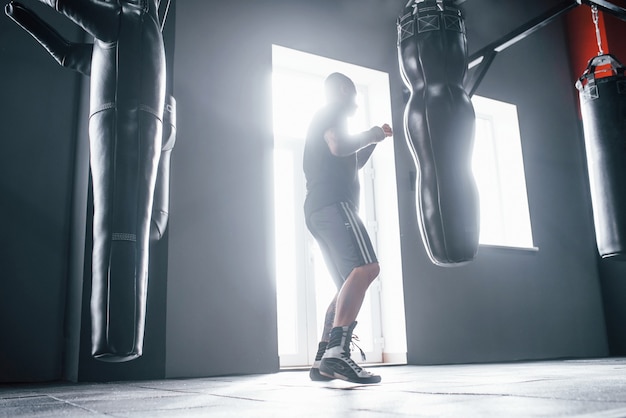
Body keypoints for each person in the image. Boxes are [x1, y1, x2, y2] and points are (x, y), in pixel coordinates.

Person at [303, 72, 393, 384]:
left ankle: (323, 360)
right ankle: (337, 355)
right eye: (353, 93)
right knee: (367, 268)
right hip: (334, 203)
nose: (354, 100)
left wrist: (375, 140)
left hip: (319, 207)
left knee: (347, 284)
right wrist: (371, 133)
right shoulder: (334, 109)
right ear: (344, 90)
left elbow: (349, 159)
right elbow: (339, 145)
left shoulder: (325, 118)